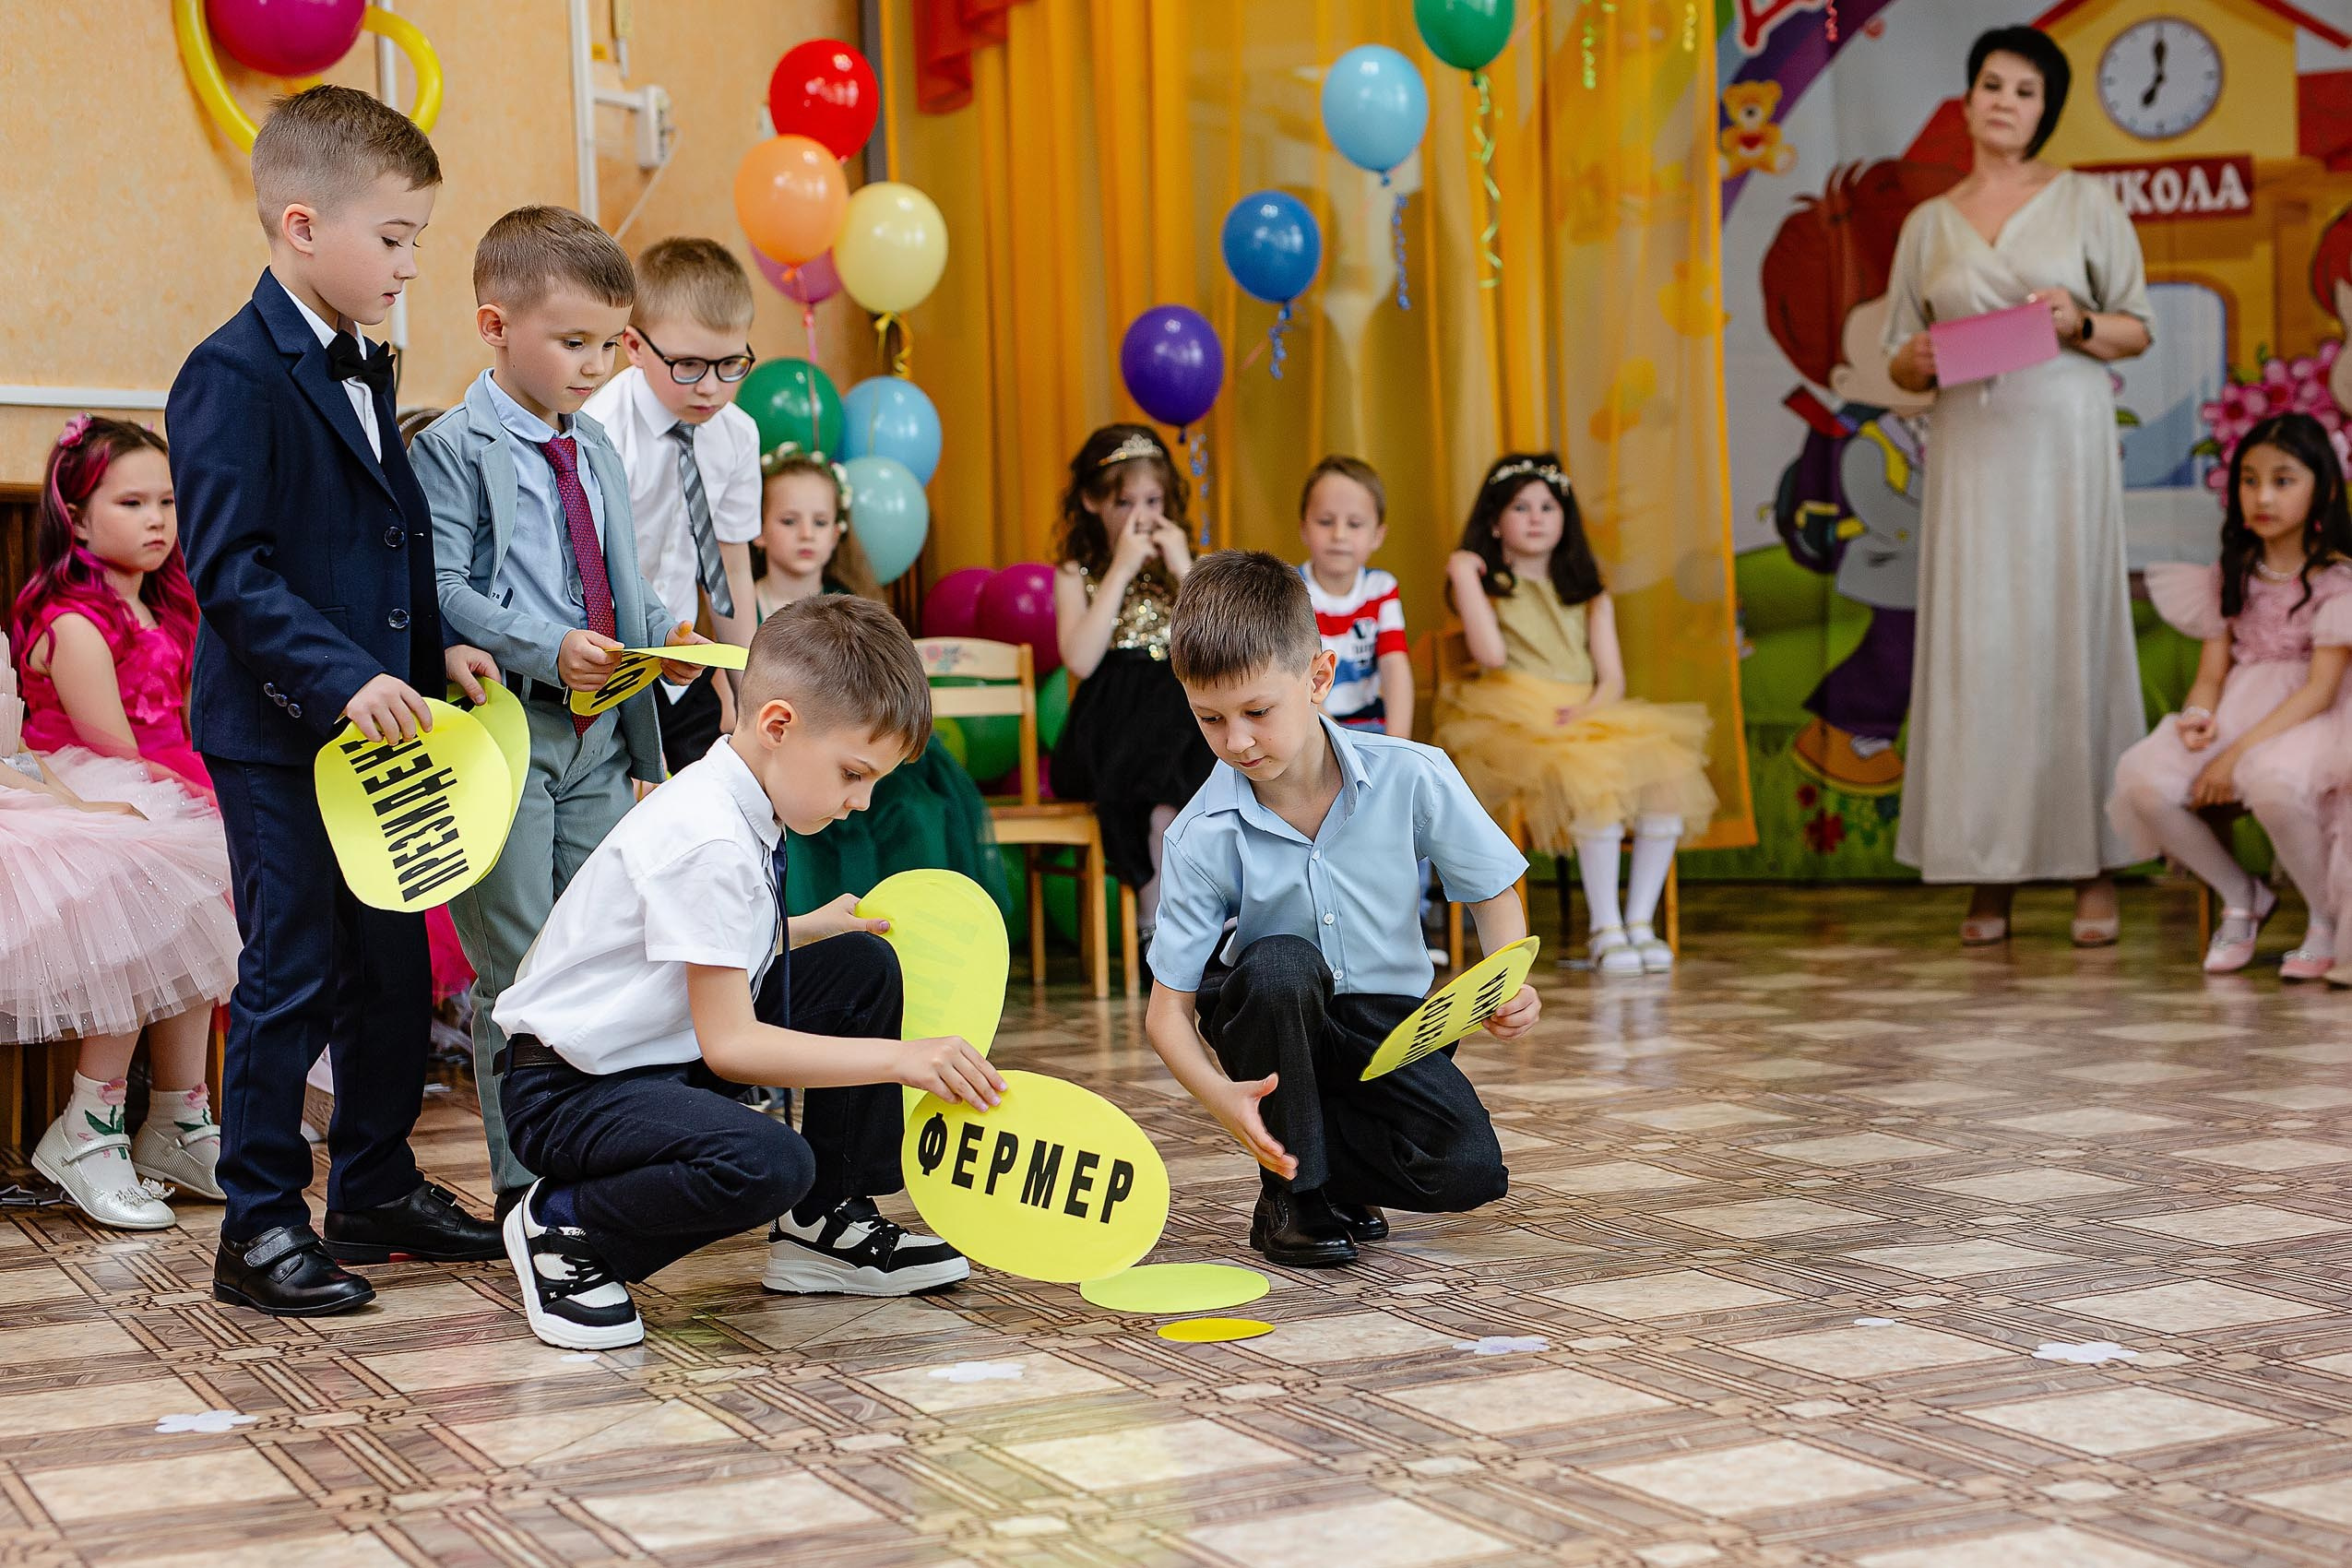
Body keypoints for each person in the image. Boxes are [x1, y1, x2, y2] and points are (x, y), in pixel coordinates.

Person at [171, 85, 502, 1317]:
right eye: (396, 237)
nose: (412, 263)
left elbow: (394, 534)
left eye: (419, 239)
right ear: (303, 225)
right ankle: (256, 1222)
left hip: (382, 727)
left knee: (391, 965)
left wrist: (439, 654)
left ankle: (371, 1184)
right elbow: (233, 575)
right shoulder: (232, 374)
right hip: (277, 735)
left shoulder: (371, 358)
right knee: (290, 970)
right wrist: (342, 677)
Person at [492, 596, 999, 1348]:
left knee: (860, 965)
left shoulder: (737, 801)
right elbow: (732, 1045)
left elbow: (699, 951)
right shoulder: (709, 837)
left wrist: (807, 929)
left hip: (654, 1060)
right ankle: (562, 1228)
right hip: (570, 1094)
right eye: (854, 774)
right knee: (766, 1163)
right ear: (778, 726)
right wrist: (901, 1059)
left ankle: (824, 1223)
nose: (861, 803)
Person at [410, 206, 707, 1217]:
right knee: (520, 964)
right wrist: (545, 646)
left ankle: (593, 1154)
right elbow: (443, 588)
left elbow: (619, 584)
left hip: (597, 736)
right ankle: (524, 1182)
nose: (593, 365)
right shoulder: (453, 447)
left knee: (599, 952)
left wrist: (671, 638)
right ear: (495, 326)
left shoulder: (597, 453)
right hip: (508, 732)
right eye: (571, 341)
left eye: (608, 343)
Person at [1146, 552, 1533, 1269]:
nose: (1237, 741)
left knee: (1471, 1170)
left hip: (1392, 1028)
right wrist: (1224, 1100)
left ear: (1319, 678)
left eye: (1259, 712)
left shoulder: (1412, 774)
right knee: (1282, 964)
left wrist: (1506, 982)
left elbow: (1494, 895)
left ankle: (1325, 1170)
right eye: (1211, 719)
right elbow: (1166, 1013)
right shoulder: (1200, 833)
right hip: (1273, 1019)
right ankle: (1294, 1198)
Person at [1883, 25, 2154, 945]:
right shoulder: (1927, 224)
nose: (2005, 100)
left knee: (2068, 636)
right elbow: (1899, 357)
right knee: (1980, 649)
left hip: (2064, 448)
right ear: (1966, 100)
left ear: (2046, 111)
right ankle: (1983, 870)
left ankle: (2093, 866)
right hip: (1970, 451)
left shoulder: (2085, 202)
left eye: (2026, 90)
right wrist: (1914, 359)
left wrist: (2079, 319)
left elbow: (2137, 329)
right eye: (1992, 84)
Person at [3, 588, 237, 1229]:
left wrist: (71, 802)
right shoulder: (70, 625)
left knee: (177, 852)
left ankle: (179, 1115)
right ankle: (90, 1122)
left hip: (19, 784)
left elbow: (9, 746)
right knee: (129, 872)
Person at [1435, 455, 1717, 976]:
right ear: (1496, 521)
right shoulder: (1492, 586)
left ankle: (1639, 923)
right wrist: (1463, 574)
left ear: (1566, 518)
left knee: (1664, 775)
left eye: (1549, 506)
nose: (1537, 516)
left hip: (1583, 710)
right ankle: (1604, 928)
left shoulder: (1588, 592)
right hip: (1512, 714)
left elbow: (1611, 678)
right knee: (1591, 779)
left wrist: (1587, 711)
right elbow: (1492, 656)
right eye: (1521, 507)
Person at [2109, 414, 2352, 977]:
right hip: (2239, 710)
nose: (2262, 496)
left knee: (2271, 782)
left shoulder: (2336, 582)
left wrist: (2235, 757)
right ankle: (2241, 894)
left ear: (2324, 488)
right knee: (2142, 779)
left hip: (2311, 717)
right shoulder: (2232, 573)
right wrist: (2198, 716)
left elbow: (2319, 691)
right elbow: (2213, 674)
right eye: (2249, 479)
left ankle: (2323, 916)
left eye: (2283, 480)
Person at [1760, 160, 1956, 795]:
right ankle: (1841, 729)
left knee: (1928, 656)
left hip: (1930, 567)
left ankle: (1879, 735)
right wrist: (1938, 525)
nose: (1915, 354)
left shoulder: (1943, 427)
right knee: (1894, 655)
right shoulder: (1864, 441)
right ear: (1843, 378)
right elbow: (1880, 503)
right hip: (1893, 569)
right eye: (1890, 343)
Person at [753, 449, 1006, 919]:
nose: (807, 533)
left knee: (916, 814)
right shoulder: (742, 609)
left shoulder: (857, 610)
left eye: (821, 521)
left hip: (870, 758)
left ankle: (912, 940)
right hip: (797, 758)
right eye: (790, 520)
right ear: (759, 528)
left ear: (838, 531)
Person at [582, 237, 763, 770]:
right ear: (635, 347)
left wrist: (745, 688)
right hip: (614, 662)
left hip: (683, 662)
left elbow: (729, 567)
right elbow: (588, 575)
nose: (710, 388)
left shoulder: (736, 435)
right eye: (688, 365)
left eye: (730, 364)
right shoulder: (601, 432)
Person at [1051, 425, 1216, 947]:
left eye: (1153, 501)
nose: (1142, 517)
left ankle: (1189, 925)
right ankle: (1159, 925)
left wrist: (1184, 567)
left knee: (1173, 796)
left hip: (1185, 711)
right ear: (1092, 501)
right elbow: (1079, 659)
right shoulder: (1075, 572)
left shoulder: (1187, 570)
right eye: (1125, 502)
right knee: (1148, 779)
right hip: (1110, 723)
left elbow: (1218, 645)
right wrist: (1120, 571)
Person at [1298, 456, 1413, 738]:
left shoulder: (1381, 588)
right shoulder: (1292, 590)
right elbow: (1296, 681)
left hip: (1371, 726)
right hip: (1311, 727)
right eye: (1325, 521)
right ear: (1303, 529)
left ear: (1377, 535)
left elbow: (1394, 667)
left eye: (1355, 524)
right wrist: (1340, 743)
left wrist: (1398, 745)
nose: (1339, 534)